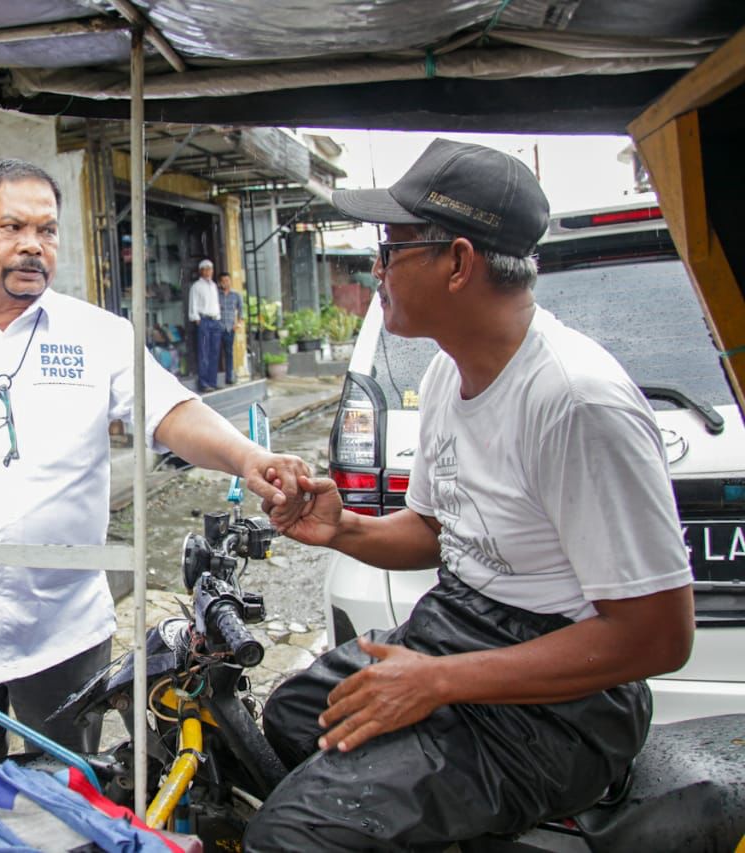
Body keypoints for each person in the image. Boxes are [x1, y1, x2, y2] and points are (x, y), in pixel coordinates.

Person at [243, 139, 694, 851]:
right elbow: (435, 528)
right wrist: (345, 529)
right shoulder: (454, 374)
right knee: (294, 716)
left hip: (561, 708)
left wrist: (438, 681)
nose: (376, 270)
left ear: (457, 261)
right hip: (461, 625)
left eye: (391, 249)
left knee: (289, 835)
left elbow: (658, 635)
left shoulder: (576, 401)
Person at [0, 159, 310, 759]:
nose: (32, 247)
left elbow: (170, 412)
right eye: (11, 227)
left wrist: (248, 456)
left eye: (46, 231)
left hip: (63, 628)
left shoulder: (97, 335)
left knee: (73, 788)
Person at [187, 258, 221, 392]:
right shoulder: (196, 286)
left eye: (210, 269)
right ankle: (204, 383)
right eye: (205, 269)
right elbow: (193, 304)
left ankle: (212, 382)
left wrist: (218, 318)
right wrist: (196, 318)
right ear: (201, 271)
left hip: (215, 321)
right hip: (204, 321)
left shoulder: (213, 285)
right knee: (204, 352)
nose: (208, 272)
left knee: (214, 352)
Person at [216, 272, 243, 386]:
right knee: (216, 353)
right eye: (223, 281)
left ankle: (229, 377)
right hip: (218, 328)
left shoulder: (236, 295)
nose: (225, 283)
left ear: (230, 281)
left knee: (229, 353)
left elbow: (241, 311)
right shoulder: (216, 295)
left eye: (227, 280)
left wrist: (238, 323)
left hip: (229, 328)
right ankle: (214, 380)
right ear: (220, 282)